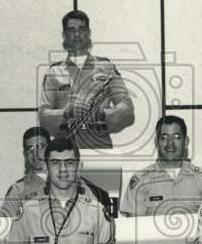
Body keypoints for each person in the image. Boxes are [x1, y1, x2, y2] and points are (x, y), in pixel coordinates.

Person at [2, 136, 114, 244]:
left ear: (79, 167)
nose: (63, 169)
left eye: (69, 162)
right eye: (55, 163)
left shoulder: (97, 213)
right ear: (45, 168)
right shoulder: (29, 212)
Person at [38, 10, 135, 150]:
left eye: (81, 29)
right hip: (65, 152)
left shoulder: (106, 67)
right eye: (71, 30)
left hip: (100, 149)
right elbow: (43, 117)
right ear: (64, 35)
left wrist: (102, 114)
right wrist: (67, 113)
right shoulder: (54, 72)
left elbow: (127, 111)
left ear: (89, 33)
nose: (77, 35)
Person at [120, 116, 202, 217]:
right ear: (156, 142)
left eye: (176, 137)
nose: (170, 143)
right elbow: (134, 227)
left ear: (186, 141)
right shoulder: (141, 181)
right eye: (164, 138)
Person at [0, 127, 51, 219]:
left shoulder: (72, 182)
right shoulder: (17, 190)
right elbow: (6, 227)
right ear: (25, 154)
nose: (36, 154)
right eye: (30, 148)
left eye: (41, 147)